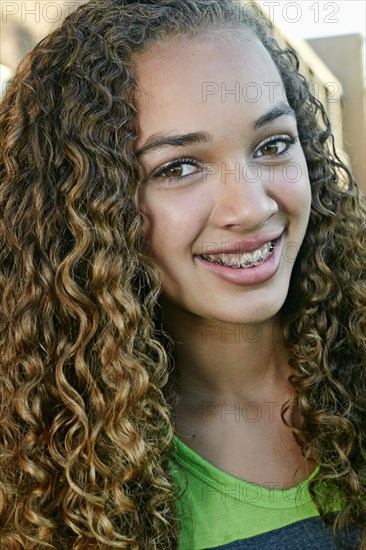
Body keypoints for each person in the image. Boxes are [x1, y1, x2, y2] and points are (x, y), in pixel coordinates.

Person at [0, 0, 365, 548]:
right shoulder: (41, 468)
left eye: (272, 145)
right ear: (82, 208)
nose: (250, 207)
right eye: (179, 167)